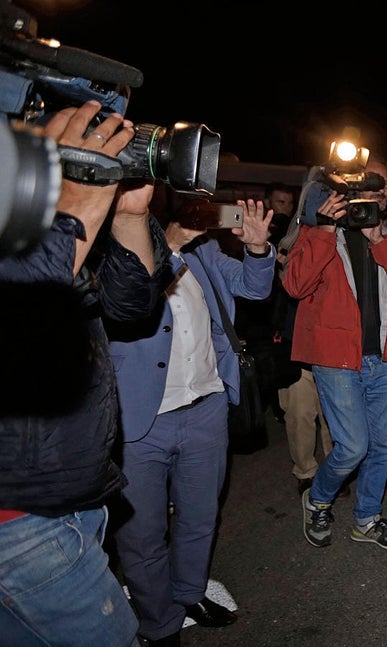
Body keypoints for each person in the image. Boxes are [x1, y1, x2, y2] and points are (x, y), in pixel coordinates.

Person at [0, 101, 168, 647]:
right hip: (19, 518)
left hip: (69, 490)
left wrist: (128, 215)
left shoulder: (28, 211)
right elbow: (24, 316)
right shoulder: (33, 212)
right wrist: (73, 202)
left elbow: (132, 305)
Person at [107, 193, 275, 645]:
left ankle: (189, 593)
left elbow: (254, 289)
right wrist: (172, 242)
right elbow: (129, 299)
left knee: (200, 518)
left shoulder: (206, 252)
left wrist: (258, 249)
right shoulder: (108, 249)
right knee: (142, 535)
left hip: (206, 409)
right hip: (140, 422)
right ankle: (160, 623)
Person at [284, 158, 387, 551]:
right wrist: (326, 229)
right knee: (352, 448)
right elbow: (295, 285)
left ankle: (367, 517)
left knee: (383, 447)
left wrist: (380, 237)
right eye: (368, 182)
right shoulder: (320, 228)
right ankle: (317, 500)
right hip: (335, 360)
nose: (375, 189)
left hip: (381, 358)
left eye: (383, 185)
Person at [273, 209, 336, 496]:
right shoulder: (286, 248)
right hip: (294, 348)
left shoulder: (335, 244)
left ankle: (334, 471)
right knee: (299, 415)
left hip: (329, 349)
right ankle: (306, 472)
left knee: (333, 417)